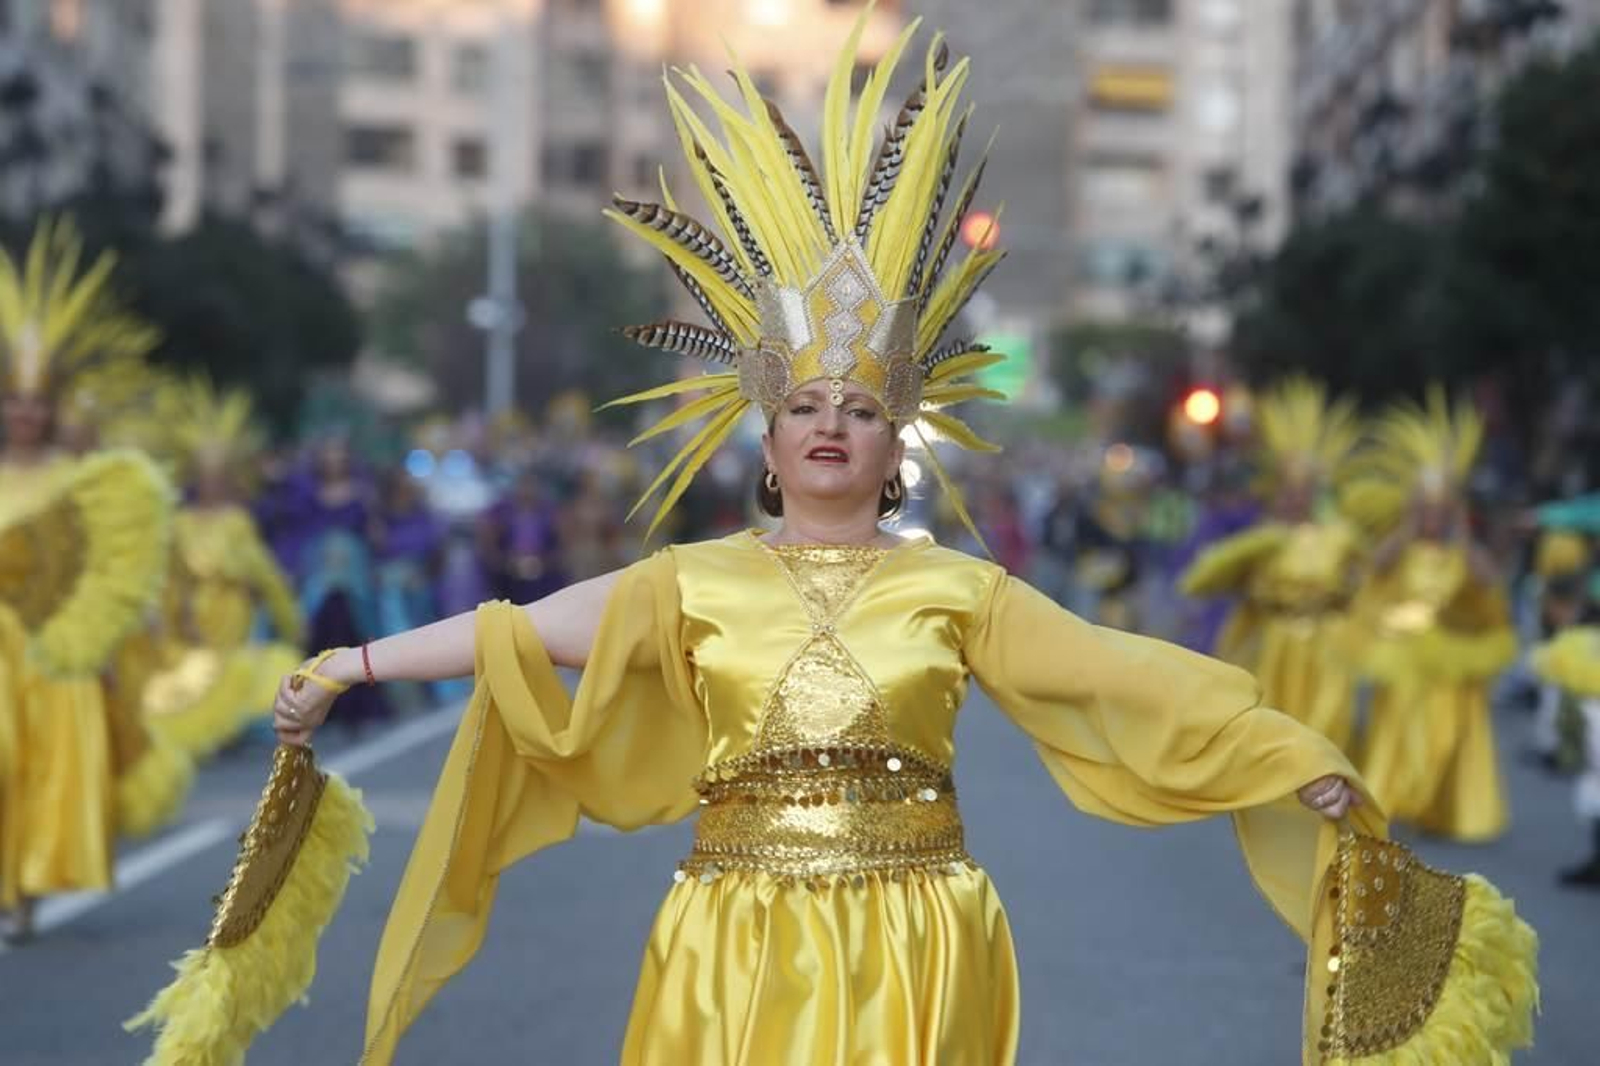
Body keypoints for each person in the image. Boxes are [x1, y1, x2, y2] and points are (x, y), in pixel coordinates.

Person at [142, 23, 1532, 1065]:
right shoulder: (690, 583)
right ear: (766, 436)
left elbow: (1123, 674)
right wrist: (349, 664)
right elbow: (518, 627)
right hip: (729, 935)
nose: (829, 425)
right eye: (805, 405)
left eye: (859, 409)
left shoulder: (959, 589)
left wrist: (1286, 754)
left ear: (892, 442)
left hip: (923, 934)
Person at [0, 219, 188, 942]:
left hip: (56, 645)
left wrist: (104, 645)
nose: (24, 412)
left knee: (42, 768)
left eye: (36, 402)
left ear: (51, 408)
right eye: (14, 399)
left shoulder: (81, 481)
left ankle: (23, 890)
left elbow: (106, 569)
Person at [1350, 389, 1517, 842]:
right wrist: (1407, 526)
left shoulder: (1461, 552)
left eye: (1439, 508)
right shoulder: (1401, 547)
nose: (1431, 515)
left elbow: (1488, 580)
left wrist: (1462, 532)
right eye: (1424, 507)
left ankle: (1435, 804)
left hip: (1447, 654)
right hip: (1401, 652)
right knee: (1396, 728)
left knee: (1444, 733)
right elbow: (1376, 566)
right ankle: (1388, 801)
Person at [1179, 378, 1365, 751]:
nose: (1297, 497)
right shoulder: (1263, 540)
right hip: (1276, 646)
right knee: (1277, 735)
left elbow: (1369, 585)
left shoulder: (1341, 537)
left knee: (1326, 735)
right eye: (1289, 489)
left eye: (1304, 489)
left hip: (1328, 650)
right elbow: (1202, 580)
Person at [138, 377, 305, 759]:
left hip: (230, 608)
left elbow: (263, 572)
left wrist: (287, 617)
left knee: (227, 667)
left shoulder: (236, 521)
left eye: (218, 476)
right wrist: (172, 610)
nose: (211, 484)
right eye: (204, 476)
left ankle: (224, 727)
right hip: (190, 609)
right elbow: (169, 572)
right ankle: (202, 727)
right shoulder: (179, 521)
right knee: (192, 668)